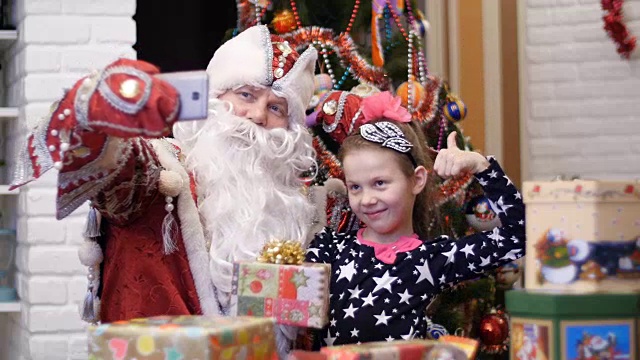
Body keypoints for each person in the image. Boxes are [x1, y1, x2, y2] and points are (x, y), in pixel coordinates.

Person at [11, 24, 317, 345]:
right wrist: (106, 117)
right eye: (246, 95)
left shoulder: (292, 203)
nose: (256, 116)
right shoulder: (164, 168)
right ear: (213, 98)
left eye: (275, 108)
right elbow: (120, 172)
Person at [305, 91, 525, 346]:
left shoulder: (432, 258)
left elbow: (518, 236)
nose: (366, 199)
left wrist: (481, 167)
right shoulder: (329, 247)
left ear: (417, 180)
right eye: (355, 187)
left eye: (379, 183)